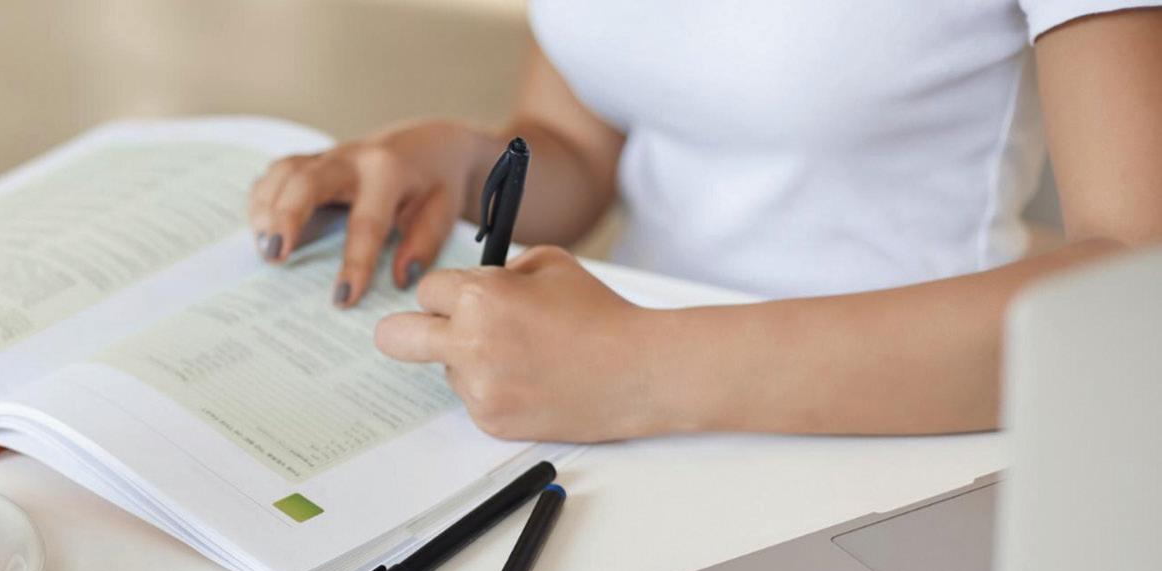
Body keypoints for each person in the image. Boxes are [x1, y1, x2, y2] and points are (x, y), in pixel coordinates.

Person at [246, 1, 1162, 443]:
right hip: (614, 401)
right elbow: (581, 145)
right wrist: (460, 163)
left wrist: (638, 368)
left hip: (904, 432)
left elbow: (1137, 283)